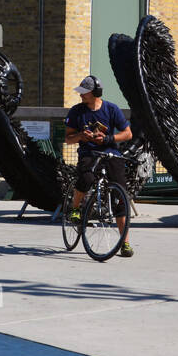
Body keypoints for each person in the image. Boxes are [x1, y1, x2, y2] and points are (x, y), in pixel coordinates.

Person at [63, 74, 134, 257]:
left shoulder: (111, 109)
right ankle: (76, 209)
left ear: (95, 93)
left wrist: (109, 138)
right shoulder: (76, 112)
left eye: (84, 93)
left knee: (120, 196)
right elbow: (68, 138)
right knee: (86, 178)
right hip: (89, 153)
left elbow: (127, 134)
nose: (81, 96)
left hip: (111, 154)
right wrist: (81, 136)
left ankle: (124, 243)